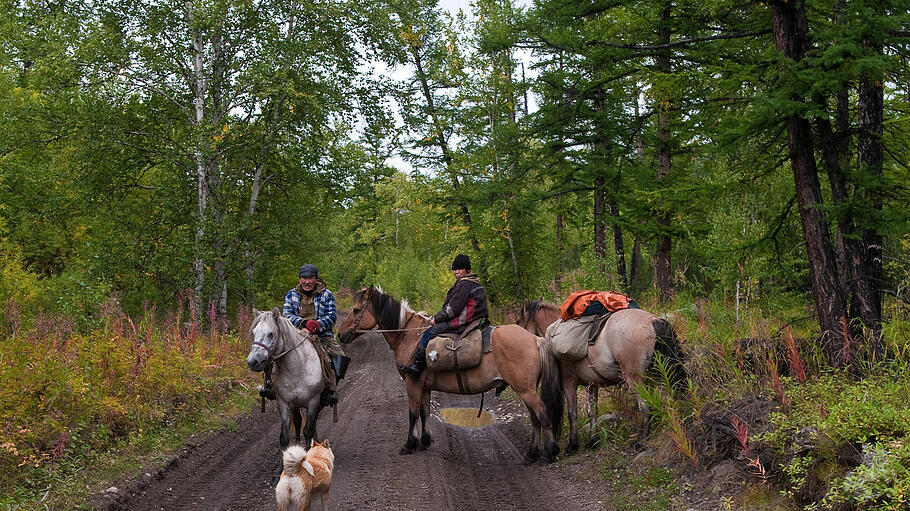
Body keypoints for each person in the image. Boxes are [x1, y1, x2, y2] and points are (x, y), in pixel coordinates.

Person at [261, 264, 350, 406]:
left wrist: (317, 325)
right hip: (295, 334)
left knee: (339, 355)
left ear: (316, 279)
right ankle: (270, 385)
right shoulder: (291, 294)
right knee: (271, 352)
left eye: (310, 278)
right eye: (304, 278)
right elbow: (287, 315)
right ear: (300, 279)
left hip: (322, 334)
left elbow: (332, 316)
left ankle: (330, 390)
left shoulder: (327, 294)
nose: (307, 281)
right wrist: (303, 324)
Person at [402, 254, 488, 380]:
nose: (456, 272)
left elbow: (453, 309)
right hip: (476, 319)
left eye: (460, 269)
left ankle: (416, 368)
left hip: (464, 321)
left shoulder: (464, 284)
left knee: (428, 333)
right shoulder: (475, 283)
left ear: (467, 270)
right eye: (455, 269)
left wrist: (436, 319)